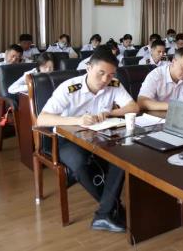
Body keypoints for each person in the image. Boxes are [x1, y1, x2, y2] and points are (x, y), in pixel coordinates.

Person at [37, 47, 140, 232]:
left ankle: (104, 214)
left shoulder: (114, 84)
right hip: (67, 139)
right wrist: (77, 120)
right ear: (88, 68)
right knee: (80, 163)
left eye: (110, 75)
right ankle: (112, 208)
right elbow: (42, 119)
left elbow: (134, 107)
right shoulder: (69, 88)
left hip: (98, 137)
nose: (105, 80)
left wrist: (110, 112)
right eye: (101, 73)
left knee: (122, 157)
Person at [137, 47, 183, 111]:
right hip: (159, 117)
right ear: (173, 62)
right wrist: (173, 106)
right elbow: (141, 102)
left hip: (182, 115)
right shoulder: (156, 75)